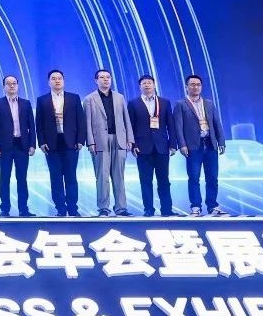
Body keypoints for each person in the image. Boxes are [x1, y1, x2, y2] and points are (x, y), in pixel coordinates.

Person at [173, 74, 229, 216]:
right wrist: (182, 145)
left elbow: (217, 123)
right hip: (192, 146)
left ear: (201, 87)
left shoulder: (209, 103)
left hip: (210, 144)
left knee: (212, 177)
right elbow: (178, 127)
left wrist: (221, 141)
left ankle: (213, 206)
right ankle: (195, 207)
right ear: (186, 87)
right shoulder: (181, 104)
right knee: (194, 177)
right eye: (192, 84)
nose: (195, 87)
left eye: (198, 84)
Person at [82, 69, 134, 217]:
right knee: (102, 177)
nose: (106, 79)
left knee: (119, 176)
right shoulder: (89, 99)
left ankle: (121, 208)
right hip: (99, 141)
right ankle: (103, 208)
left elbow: (126, 119)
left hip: (119, 139)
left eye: (108, 77)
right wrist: (90, 142)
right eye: (102, 77)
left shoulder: (119, 97)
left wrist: (130, 139)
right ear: (96, 81)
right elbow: (87, 123)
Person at [35, 70, 85, 217]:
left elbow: (81, 121)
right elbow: (39, 124)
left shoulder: (74, 98)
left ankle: (73, 208)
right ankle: (60, 209)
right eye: (53, 78)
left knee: (71, 177)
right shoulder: (42, 100)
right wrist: (41, 142)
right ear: (48, 82)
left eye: (59, 78)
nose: (57, 81)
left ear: (63, 81)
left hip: (71, 143)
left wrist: (80, 140)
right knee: (55, 177)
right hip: (51, 144)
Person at [128, 74, 176, 217]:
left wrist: (173, 144)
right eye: (144, 83)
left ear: (154, 85)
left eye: (149, 82)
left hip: (162, 147)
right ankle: (148, 209)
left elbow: (171, 125)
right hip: (142, 148)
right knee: (145, 181)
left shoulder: (164, 102)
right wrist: (133, 145)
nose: (147, 85)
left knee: (164, 180)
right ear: (140, 87)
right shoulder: (133, 104)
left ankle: (167, 209)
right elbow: (130, 126)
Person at [0, 76, 35, 218]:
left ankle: (23, 209)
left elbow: (31, 126)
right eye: (8, 84)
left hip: (22, 145)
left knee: (22, 178)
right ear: (4, 87)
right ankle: (5, 209)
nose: (12, 86)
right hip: (4, 147)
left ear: (18, 86)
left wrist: (32, 144)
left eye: (14, 83)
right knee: (4, 178)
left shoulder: (26, 103)